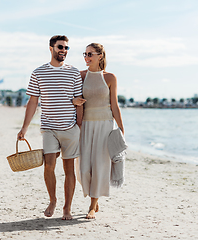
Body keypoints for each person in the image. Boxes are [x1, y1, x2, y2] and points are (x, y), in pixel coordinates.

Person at [17, 35, 83, 220]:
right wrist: (24, 128)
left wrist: (80, 127)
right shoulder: (38, 73)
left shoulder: (74, 72)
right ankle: (53, 199)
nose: (63, 51)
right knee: (49, 166)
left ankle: (67, 208)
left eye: (66, 48)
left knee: (69, 170)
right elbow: (32, 102)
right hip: (49, 128)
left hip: (70, 128)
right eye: (60, 47)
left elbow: (79, 102)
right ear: (51, 48)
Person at [73, 43, 125, 219]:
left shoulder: (110, 78)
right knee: (83, 167)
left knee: (100, 165)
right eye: (85, 54)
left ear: (100, 56)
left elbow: (115, 106)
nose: (86, 57)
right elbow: (73, 100)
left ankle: (93, 205)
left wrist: (121, 128)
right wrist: (74, 103)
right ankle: (93, 199)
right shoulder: (80, 76)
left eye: (90, 54)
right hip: (85, 125)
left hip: (105, 125)